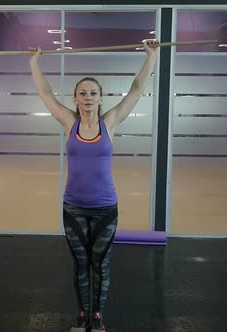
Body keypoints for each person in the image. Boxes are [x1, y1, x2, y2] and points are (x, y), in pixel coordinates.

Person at [29, 40, 158, 332]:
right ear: (75, 99)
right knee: (80, 264)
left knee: (101, 264)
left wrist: (151, 56)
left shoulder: (110, 122)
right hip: (73, 207)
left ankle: (97, 317)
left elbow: (136, 89)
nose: (88, 97)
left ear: (101, 98)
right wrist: (34, 62)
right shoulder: (68, 121)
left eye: (93, 93)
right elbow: (45, 93)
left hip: (105, 209)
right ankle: (82, 314)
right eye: (83, 93)